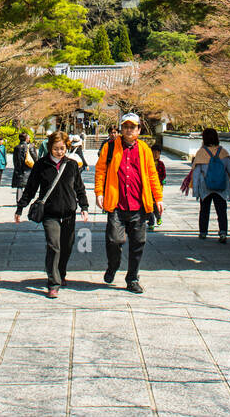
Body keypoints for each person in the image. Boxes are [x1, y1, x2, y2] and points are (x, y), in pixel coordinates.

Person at [94, 112, 163, 294]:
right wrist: (99, 192)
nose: (128, 130)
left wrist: (158, 197)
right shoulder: (110, 147)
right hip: (117, 203)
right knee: (114, 240)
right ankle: (113, 265)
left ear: (139, 129)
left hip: (139, 205)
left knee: (138, 243)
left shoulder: (144, 150)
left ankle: (132, 278)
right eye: (125, 126)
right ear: (121, 128)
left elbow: (152, 175)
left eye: (132, 127)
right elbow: (100, 170)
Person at [15, 131, 90, 298]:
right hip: (50, 213)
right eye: (56, 148)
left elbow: (79, 187)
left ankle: (61, 273)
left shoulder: (71, 165)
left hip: (69, 213)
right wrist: (20, 207)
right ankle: (53, 283)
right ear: (50, 148)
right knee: (53, 246)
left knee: (66, 247)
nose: (59, 152)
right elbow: (31, 189)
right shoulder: (41, 165)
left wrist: (84, 206)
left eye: (62, 148)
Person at [191, 127, 230, 243]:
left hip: (205, 187)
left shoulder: (201, 153)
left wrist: (195, 190)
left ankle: (203, 232)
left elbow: (196, 174)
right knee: (221, 210)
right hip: (221, 186)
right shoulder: (223, 152)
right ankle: (223, 232)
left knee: (204, 210)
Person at [11, 132, 34, 197]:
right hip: (28, 168)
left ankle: (19, 199)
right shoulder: (29, 147)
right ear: (26, 139)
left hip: (19, 168)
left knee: (19, 186)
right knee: (28, 185)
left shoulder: (16, 148)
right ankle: (25, 199)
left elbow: (14, 160)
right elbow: (34, 157)